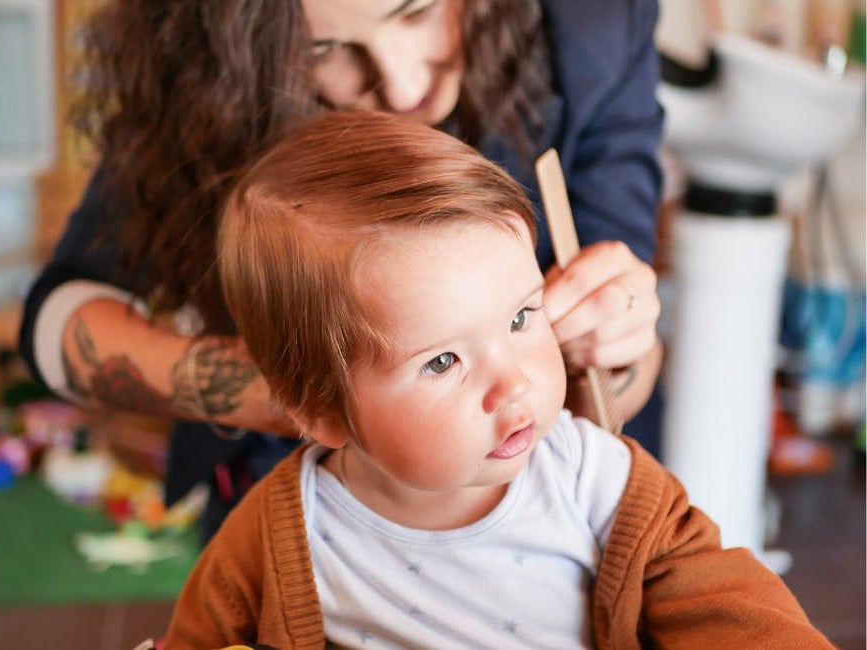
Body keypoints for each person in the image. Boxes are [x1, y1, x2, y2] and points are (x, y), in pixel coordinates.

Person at [162, 110, 829, 649]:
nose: (514, 386)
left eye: (520, 317)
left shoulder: (593, 483)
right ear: (321, 409)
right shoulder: (284, 536)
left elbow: (729, 606)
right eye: (443, 361)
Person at [18, 0, 665, 544]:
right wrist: (282, 394)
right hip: (282, 502)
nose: (403, 86)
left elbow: (620, 325)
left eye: (417, 9)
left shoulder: (595, 28)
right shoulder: (203, 87)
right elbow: (57, 318)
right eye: (325, 49)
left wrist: (617, 348)